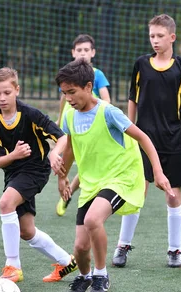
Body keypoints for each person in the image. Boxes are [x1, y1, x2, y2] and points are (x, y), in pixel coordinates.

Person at [53, 59, 174, 292]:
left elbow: (144, 139)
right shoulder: (70, 116)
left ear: (88, 87)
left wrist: (158, 173)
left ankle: (101, 275)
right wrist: (63, 177)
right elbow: (71, 148)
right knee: (80, 248)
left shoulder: (108, 112)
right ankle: (86, 276)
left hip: (120, 178)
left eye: (72, 92)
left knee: (93, 220)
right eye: (64, 93)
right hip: (90, 184)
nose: (68, 99)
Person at [111, 13, 181, 269]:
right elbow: (132, 99)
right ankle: (123, 245)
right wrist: (128, 133)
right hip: (143, 140)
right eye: (152, 35)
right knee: (135, 193)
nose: (155, 40)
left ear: (172, 37)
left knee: (173, 196)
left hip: (174, 142)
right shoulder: (141, 65)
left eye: (160, 36)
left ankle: (175, 250)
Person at [0, 67, 78, 284]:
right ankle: (66, 261)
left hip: (36, 169)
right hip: (13, 174)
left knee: (6, 203)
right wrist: (15, 154)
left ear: (17, 90)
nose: (2, 97)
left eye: (7, 92)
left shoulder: (31, 115)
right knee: (26, 231)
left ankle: (13, 266)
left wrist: (55, 152)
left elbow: (62, 137)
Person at [55, 34, 111, 218]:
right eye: (79, 50)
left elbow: (106, 98)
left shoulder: (98, 74)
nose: (82, 53)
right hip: (75, 126)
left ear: (93, 53)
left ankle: (70, 193)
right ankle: (69, 190)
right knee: (75, 159)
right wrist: (59, 118)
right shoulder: (69, 76)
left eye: (86, 50)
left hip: (94, 127)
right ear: (73, 52)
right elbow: (64, 98)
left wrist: (106, 116)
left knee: (87, 163)